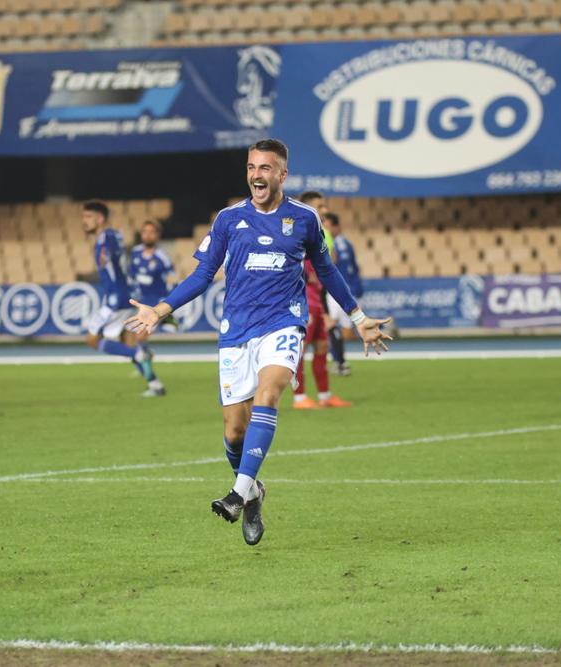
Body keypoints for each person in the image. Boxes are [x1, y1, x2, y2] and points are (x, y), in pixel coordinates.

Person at [125, 139, 392, 546]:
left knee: (269, 394)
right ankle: (253, 492)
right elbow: (201, 276)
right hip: (236, 331)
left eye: (265, 168)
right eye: (251, 167)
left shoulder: (304, 219)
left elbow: (328, 271)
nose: (256, 175)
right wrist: (160, 310)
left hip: (284, 323)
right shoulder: (229, 220)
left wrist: (357, 318)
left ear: (282, 174)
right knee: (234, 431)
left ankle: (236, 495)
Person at [82, 201, 166, 397]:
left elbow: (110, 255)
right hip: (125, 295)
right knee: (127, 340)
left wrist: (106, 256)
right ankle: (154, 385)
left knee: (92, 339)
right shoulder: (113, 235)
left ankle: (139, 354)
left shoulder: (106, 238)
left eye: (88, 217)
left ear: (100, 218)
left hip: (116, 298)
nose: (84, 221)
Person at [291, 257, 352, 409]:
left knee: (322, 347)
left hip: (318, 307)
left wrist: (325, 313)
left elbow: (323, 288)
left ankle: (325, 396)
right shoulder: (295, 257)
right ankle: (300, 398)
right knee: (300, 351)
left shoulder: (316, 258)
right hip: (304, 307)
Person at [324, 211, 365, 376]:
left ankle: (340, 362)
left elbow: (333, 266)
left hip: (337, 291)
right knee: (341, 328)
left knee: (332, 325)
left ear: (335, 226)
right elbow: (354, 268)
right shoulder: (347, 243)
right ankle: (340, 362)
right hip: (348, 291)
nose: (324, 229)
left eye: (327, 226)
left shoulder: (334, 244)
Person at [129, 219, 178, 334]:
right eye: (145, 232)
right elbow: (131, 275)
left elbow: (172, 280)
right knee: (128, 334)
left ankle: (168, 319)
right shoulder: (135, 252)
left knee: (142, 333)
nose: (147, 235)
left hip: (156, 302)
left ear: (157, 235)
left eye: (151, 232)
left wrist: (167, 303)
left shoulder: (162, 257)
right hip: (140, 301)